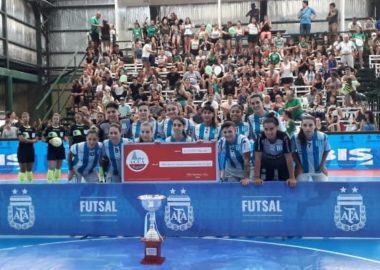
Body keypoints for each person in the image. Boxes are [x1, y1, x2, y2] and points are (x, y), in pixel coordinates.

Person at [254, 116, 296, 186]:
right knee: (267, 181)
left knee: (285, 182)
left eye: (271, 129)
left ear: (277, 127)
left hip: (281, 161)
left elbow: (289, 158)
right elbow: (258, 158)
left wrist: (292, 177)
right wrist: (257, 177)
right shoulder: (260, 137)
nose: (268, 132)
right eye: (266, 129)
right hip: (267, 161)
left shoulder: (284, 137)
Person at [292, 115, 331, 182]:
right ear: (301, 126)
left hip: (319, 169)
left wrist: (322, 165)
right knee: (302, 191)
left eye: (310, 125)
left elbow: (327, 150)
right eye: (304, 125)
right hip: (302, 170)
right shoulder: (295, 138)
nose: (307, 128)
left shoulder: (323, 137)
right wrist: (298, 166)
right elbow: (292, 152)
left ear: (315, 125)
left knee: (323, 190)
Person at [218, 121, 250, 186]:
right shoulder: (221, 142)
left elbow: (247, 160)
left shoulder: (243, 140)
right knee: (232, 191)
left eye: (230, 131)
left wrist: (246, 177)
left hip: (245, 170)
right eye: (225, 132)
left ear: (235, 131)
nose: (227, 134)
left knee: (247, 190)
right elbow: (213, 154)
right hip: (231, 172)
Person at [43, 113, 66, 183]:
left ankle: (57, 181)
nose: (55, 120)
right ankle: (50, 182)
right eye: (54, 119)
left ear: (59, 120)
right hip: (51, 149)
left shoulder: (62, 128)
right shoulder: (48, 128)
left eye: (57, 119)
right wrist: (48, 141)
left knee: (58, 167)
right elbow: (43, 138)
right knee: (51, 167)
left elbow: (65, 137)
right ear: (52, 120)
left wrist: (65, 139)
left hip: (60, 149)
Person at [17, 112, 38, 182]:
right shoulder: (20, 128)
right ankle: (21, 184)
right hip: (22, 150)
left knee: (29, 169)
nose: (25, 118)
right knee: (23, 169)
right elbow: (21, 139)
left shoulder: (33, 129)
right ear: (22, 119)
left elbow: (36, 139)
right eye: (23, 117)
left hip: (30, 150)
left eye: (26, 117)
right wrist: (31, 141)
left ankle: (30, 184)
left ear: (29, 118)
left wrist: (31, 140)